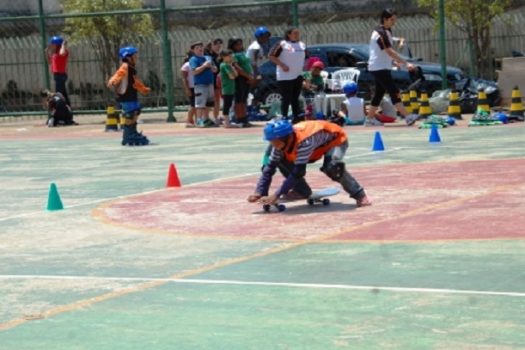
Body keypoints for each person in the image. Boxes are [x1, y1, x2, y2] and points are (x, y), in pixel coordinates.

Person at [247, 119, 372, 207]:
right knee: (280, 161)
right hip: (316, 148)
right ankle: (301, 191)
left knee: (332, 167)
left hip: (335, 141)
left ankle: (359, 194)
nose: (272, 145)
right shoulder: (279, 144)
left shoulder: (304, 142)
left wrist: (276, 195)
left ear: (287, 138)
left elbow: (298, 172)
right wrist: (260, 192)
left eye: (274, 141)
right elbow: (269, 169)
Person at [366, 8, 418, 126]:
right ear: (385, 19)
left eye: (395, 19)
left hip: (381, 67)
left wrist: (393, 63)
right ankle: (408, 117)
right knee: (394, 91)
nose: (394, 22)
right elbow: (389, 51)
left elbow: (381, 52)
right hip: (379, 68)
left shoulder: (387, 31)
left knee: (379, 93)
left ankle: (369, 119)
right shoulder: (380, 33)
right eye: (392, 19)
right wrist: (406, 63)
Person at [107, 46, 151, 146]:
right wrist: (113, 81)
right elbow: (119, 74)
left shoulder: (131, 68)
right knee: (130, 114)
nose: (136, 57)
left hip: (132, 93)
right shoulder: (125, 66)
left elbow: (135, 81)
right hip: (126, 95)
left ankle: (132, 132)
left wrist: (143, 89)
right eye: (134, 55)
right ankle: (128, 135)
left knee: (135, 112)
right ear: (127, 57)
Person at [269, 27, 306, 123]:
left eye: (298, 33)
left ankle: (296, 117)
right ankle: (284, 117)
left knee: (295, 98)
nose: (297, 35)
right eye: (294, 33)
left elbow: (305, 58)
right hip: (285, 76)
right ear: (289, 34)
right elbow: (271, 55)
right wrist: (282, 65)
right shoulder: (282, 44)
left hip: (298, 75)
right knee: (286, 98)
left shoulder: (301, 45)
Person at [228, 37, 255, 127]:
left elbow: (248, 64)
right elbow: (237, 68)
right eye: (237, 44)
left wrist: (251, 75)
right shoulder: (233, 55)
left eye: (240, 44)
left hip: (246, 78)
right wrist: (248, 76)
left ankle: (244, 118)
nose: (239, 46)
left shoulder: (243, 53)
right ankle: (239, 118)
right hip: (239, 79)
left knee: (244, 99)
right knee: (239, 100)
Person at [189, 41, 217, 127]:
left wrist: (211, 66)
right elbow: (194, 72)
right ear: (193, 50)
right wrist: (204, 66)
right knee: (200, 103)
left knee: (209, 103)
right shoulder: (193, 59)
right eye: (197, 48)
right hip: (200, 85)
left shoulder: (208, 58)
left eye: (201, 47)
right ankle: (198, 120)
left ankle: (206, 119)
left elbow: (215, 70)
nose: (200, 49)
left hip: (210, 83)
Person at [45, 35, 70, 107]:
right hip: (57, 75)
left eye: (53, 44)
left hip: (61, 75)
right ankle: (68, 107)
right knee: (63, 93)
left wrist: (63, 45)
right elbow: (49, 62)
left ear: (57, 45)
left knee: (59, 93)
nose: (51, 45)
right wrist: (47, 53)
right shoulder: (54, 53)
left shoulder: (62, 51)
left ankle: (61, 108)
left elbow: (62, 53)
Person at [219, 49, 241, 128]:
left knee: (230, 105)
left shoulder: (229, 65)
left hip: (231, 88)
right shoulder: (224, 65)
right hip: (226, 88)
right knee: (227, 105)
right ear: (224, 57)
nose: (231, 57)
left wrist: (232, 66)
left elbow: (236, 75)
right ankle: (226, 122)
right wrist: (232, 71)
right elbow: (232, 76)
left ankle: (228, 121)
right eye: (229, 56)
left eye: (231, 56)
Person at [205, 38, 224, 122]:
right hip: (209, 81)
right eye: (216, 45)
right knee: (208, 100)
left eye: (219, 45)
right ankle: (205, 118)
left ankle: (216, 117)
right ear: (211, 45)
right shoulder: (207, 55)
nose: (218, 46)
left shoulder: (218, 56)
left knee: (217, 99)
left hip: (217, 81)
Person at [180, 49, 196, 127]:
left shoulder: (196, 63)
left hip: (197, 86)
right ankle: (188, 121)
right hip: (191, 87)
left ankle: (194, 120)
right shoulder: (186, 65)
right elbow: (184, 78)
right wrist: (187, 89)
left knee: (197, 105)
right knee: (193, 105)